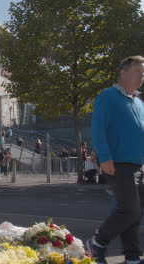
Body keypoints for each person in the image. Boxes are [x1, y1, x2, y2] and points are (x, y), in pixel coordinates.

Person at [87, 56, 144, 264]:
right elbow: (98, 128)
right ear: (123, 73)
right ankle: (98, 242)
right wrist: (104, 156)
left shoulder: (138, 102)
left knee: (134, 214)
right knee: (130, 209)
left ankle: (132, 257)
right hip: (118, 163)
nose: (142, 76)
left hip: (139, 163)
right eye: (138, 71)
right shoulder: (108, 96)